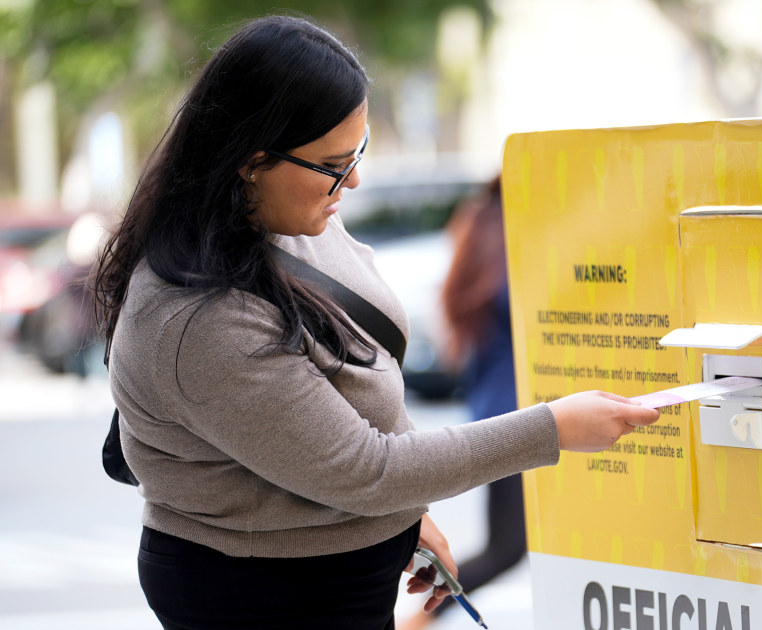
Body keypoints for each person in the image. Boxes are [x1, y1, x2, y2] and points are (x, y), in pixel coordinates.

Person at [89, 15, 659, 630]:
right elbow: (365, 469)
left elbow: (354, 411)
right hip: (259, 592)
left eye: (358, 151)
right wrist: (553, 428)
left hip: (340, 576)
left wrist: (405, 518)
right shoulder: (197, 321)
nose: (352, 180)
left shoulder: (293, 218)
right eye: (333, 162)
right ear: (251, 161)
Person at [398, 176, 521, 630]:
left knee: (511, 544)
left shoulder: (482, 223)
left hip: (495, 408)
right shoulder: (515, 236)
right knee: (508, 546)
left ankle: (417, 621)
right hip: (520, 415)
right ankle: (415, 623)